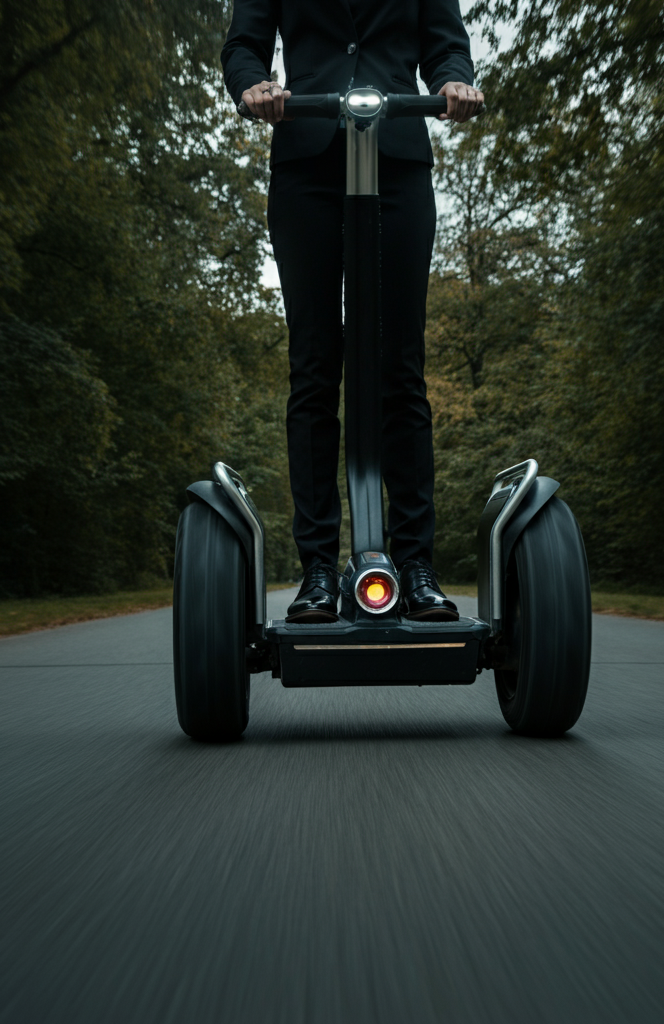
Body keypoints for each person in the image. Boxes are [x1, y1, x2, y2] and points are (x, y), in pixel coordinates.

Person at [222, 1, 484, 623]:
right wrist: (253, 86)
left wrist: (451, 79)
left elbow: (445, 42)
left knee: (401, 366)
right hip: (306, 158)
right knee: (315, 366)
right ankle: (317, 568)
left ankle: (415, 564)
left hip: (396, 155)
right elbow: (243, 45)